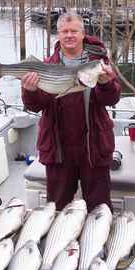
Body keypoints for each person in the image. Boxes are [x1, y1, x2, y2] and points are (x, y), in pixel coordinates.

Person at [21, 13, 121, 212]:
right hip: (58, 148)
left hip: (94, 145)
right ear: (57, 35)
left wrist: (106, 84)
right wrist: (29, 91)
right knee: (58, 207)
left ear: (83, 34)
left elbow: (112, 99)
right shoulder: (47, 66)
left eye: (74, 31)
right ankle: (60, 242)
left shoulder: (99, 62)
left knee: (99, 207)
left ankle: (97, 241)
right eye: (64, 31)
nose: (69, 35)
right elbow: (35, 106)